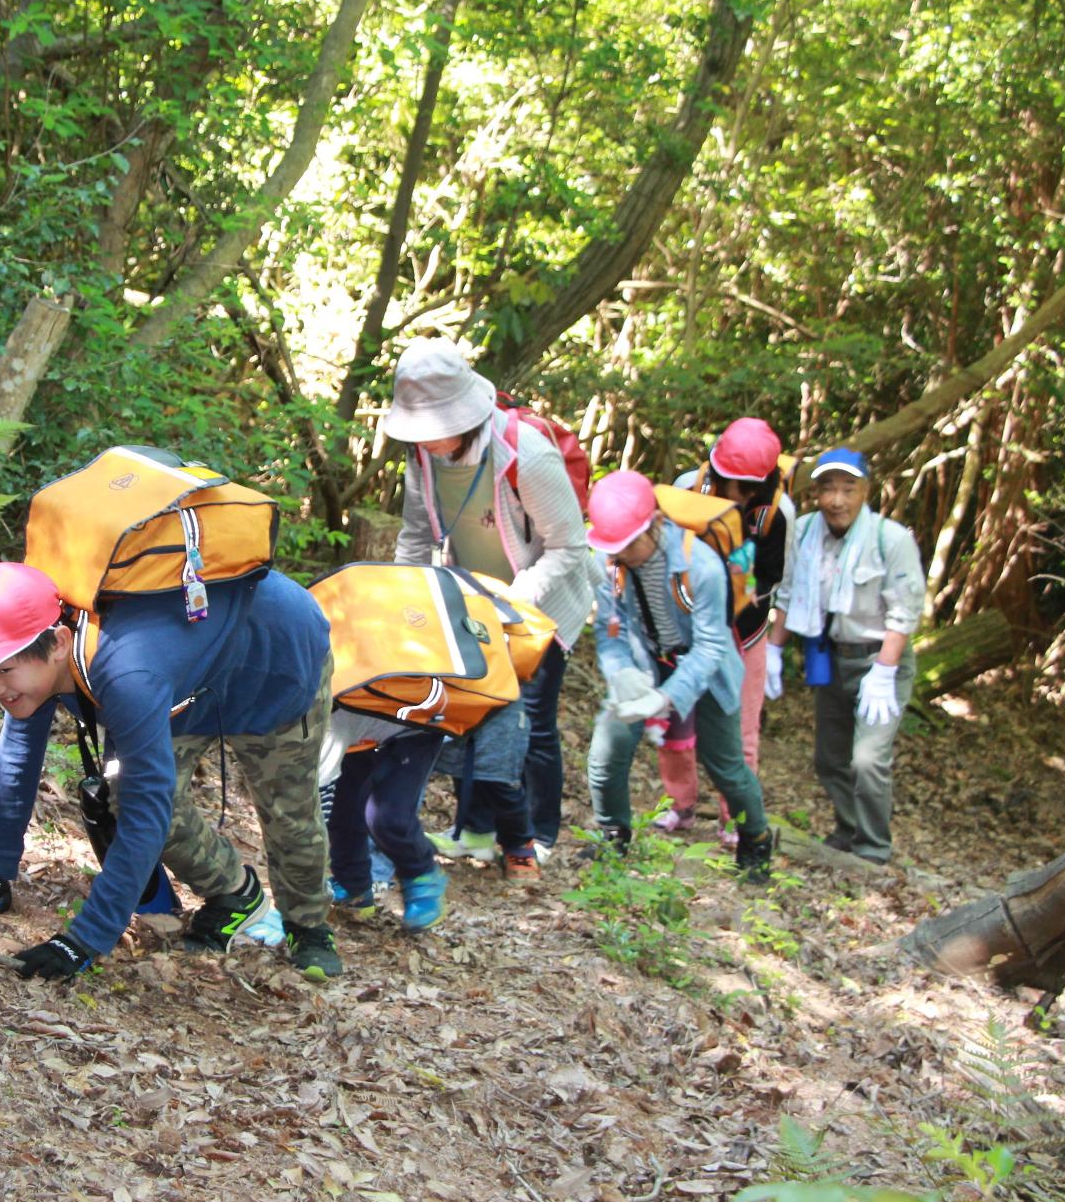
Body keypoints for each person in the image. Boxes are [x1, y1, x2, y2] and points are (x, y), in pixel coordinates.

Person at [0, 561, 343, 979]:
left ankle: (308, 925)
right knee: (124, 792)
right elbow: (18, 756)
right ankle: (235, 895)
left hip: (275, 665)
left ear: (58, 644)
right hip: (182, 681)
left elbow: (147, 809)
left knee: (287, 811)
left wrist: (82, 942)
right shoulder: (41, 653)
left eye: (3, 671)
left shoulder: (127, 672)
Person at [385, 339, 593, 880]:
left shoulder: (527, 453)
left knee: (531, 722)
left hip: (539, 603)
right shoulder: (422, 455)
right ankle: (474, 831)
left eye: (433, 427)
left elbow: (570, 546)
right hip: (470, 600)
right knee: (471, 710)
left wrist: (512, 604)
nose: (424, 441)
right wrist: (405, 598)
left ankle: (538, 834)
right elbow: (414, 532)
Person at [583, 471, 775, 879]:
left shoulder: (700, 564)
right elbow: (609, 630)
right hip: (644, 662)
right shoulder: (608, 561)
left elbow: (711, 647)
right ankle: (613, 834)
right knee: (606, 752)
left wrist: (666, 699)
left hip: (707, 672)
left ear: (654, 524)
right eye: (614, 546)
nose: (624, 554)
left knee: (725, 766)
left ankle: (756, 840)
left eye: (630, 543)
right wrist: (621, 675)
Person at [767, 447, 924, 864]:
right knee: (829, 758)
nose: (837, 500)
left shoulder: (890, 539)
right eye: (827, 489)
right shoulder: (802, 532)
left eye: (847, 489)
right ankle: (848, 828)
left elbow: (905, 611)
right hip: (828, 654)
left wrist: (885, 671)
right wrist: (773, 649)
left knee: (868, 760)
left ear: (865, 491)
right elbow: (785, 592)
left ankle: (873, 849)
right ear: (815, 494)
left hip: (879, 659)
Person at [654, 418, 797, 843]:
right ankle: (678, 805)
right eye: (729, 483)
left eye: (748, 488)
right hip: (684, 624)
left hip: (744, 631)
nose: (737, 495)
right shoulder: (687, 487)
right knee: (674, 720)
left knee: (741, 730)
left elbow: (775, 577)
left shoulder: (778, 512)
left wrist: (741, 592)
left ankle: (734, 817)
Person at [318, 711, 449, 930]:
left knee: (388, 817)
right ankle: (353, 885)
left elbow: (316, 804)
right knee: (345, 807)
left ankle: (422, 875)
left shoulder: (322, 728)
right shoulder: (318, 723)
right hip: (358, 721)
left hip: (416, 723)